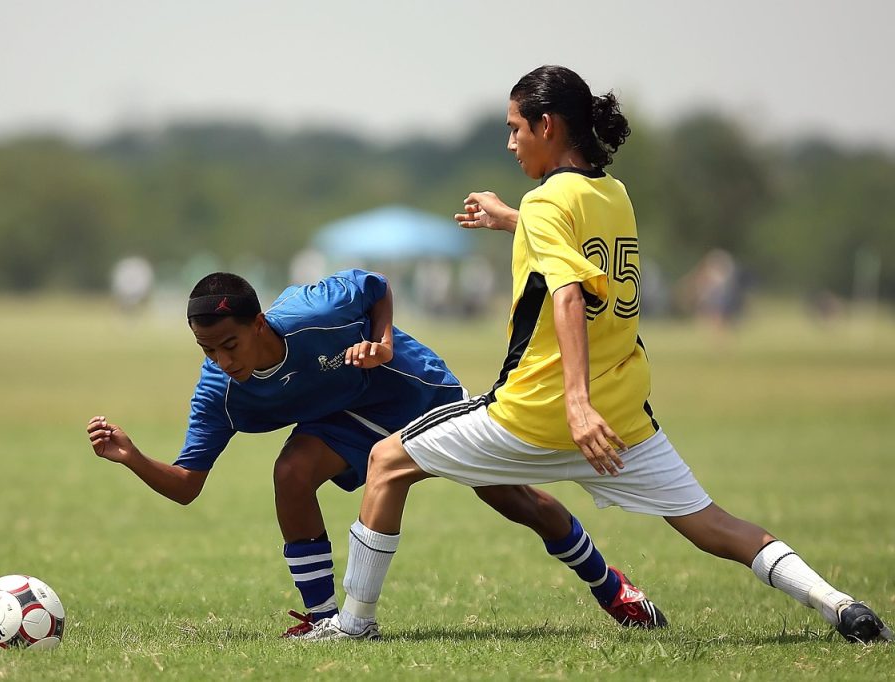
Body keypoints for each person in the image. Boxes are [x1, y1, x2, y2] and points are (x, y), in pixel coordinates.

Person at [302, 65, 892, 644]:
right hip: (622, 421)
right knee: (713, 525)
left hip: (534, 413)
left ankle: (353, 625)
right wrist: (512, 219)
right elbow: (579, 253)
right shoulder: (614, 195)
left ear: (548, 126)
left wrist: (576, 404)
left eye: (515, 129)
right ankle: (839, 605)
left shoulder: (544, 203)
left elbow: (569, 293)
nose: (510, 143)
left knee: (386, 462)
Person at [85, 268, 666, 637]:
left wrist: (384, 344)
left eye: (230, 344)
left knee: (511, 499)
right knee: (291, 472)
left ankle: (611, 587)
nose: (222, 360)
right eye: (208, 350)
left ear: (260, 322)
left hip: (410, 388)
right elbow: (188, 483)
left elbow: (377, 286)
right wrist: (134, 456)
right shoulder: (222, 393)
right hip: (341, 421)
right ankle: (323, 620)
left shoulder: (314, 312)